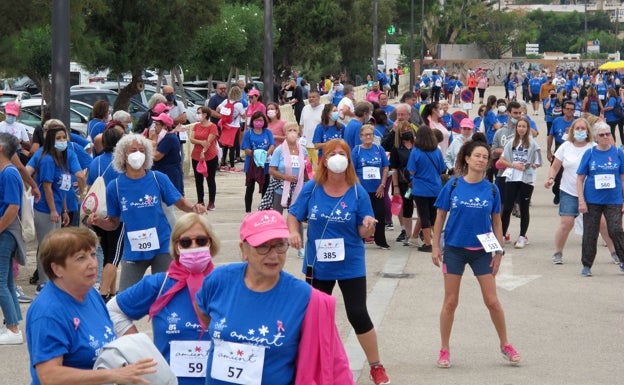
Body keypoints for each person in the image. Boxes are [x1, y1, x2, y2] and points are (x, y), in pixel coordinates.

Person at [195, 210, 354, 385]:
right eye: (263, 246)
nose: (273, 255)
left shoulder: (305, 299)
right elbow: (202, 308)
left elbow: (334, 364)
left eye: (280, 245)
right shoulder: (220, 280)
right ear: (244, 249)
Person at [288, 139, 391, 385]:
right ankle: (312, 365)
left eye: (341, 153)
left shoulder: (357, 191)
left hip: (350, 263)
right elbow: (294, 214)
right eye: (332, 153)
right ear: (324, 158)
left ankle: (376, 366)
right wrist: (294, 232)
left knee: (357, 314)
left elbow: (362, 232)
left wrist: (367, 227)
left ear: (348, 159)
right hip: (318, 265)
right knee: (315, 316)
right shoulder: (313, 188)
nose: (336, 157)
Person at [26, 227, 157, 385]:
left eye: (93, 254)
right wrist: (114, 375)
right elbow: (49, 376)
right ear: (57, 269)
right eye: (81, 258)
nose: (93, 264)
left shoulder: (90, 293)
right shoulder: (48, 312)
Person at [431, 136, 521, 369]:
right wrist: (435, 245)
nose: (481, 160)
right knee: (450, 302)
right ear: (467, 159)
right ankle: (444, 348)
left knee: (492, 301)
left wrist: (499, 252)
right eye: (477, 156)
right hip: (454, 250)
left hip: (482, 251)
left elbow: (497, 222)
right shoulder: (452, 185)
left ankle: (505, 344)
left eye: (485, 157)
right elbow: (440, 216)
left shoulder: (492, 189)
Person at [107, 213, 219, 385]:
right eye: (186, 242)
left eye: (201, 241)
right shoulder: (159, 284)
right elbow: (113, 311)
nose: (194, 246)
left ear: (211, 244)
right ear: (176, 247)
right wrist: (140, 348)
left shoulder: (225, 283)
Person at [88, 134, 207, 291]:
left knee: (168, 294)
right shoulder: (114, 186)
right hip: (134, 251)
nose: (138, 154)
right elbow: (113, 223)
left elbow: (180, 202)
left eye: (142, 150)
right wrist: (99, 222)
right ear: (123, 155)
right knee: (126, 296)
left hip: (163, 246)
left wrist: (194, 208)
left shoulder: (159, 179)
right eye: (133, 150)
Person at [543, 118, 617, 265]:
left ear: (588, 131)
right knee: (567, 222)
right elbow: (555, 166)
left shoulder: (593, 147)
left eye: (583, 128)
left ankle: (615, 252)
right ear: (572, 131)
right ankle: (558, 252)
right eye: (577, 128)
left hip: (591, 193)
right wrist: (551, 178)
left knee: (602, 223)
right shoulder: (565, 147)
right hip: (569, 191)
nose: (580, 131)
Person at [28, 122, 84, 288]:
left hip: (58, 209)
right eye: (58, 138)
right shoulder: (47, 160)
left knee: (55, 247)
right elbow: (47, 186)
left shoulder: (64, 159)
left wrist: (64, 210)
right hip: (45, 209)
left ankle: (50, 280)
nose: (62, 141)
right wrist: (53, 210)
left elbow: (63, 188)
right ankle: (43, 282)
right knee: (46, 246)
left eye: (63, 137)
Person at [576, 122, 624, 276]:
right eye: (602, 135)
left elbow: (623, 178)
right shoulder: (589, 153)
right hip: (592, 200)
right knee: (590, 232)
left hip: (614, 199)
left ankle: (622, 260)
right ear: (596, 137)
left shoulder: (618, 153)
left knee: (616, 229)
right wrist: (581, 201)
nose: (605, 137)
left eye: (607, 134)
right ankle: (587, 265)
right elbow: (579, 179)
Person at [85, 128, 124, 301]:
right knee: (114, 257)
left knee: (108, 251)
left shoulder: (95, 162)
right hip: (116, 214)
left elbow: (89, 186)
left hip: (97, 214)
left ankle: (112, 291)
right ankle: (102, 294)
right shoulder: (121, 164)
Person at [496, 117, 542, 249]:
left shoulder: (533, 144)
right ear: (516, 128)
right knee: (508, 207)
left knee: (524, 207)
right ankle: (503, 235)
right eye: (519, 126)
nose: (521, 128)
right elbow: (501, 161)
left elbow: (537, 163)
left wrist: (528, 165)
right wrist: (514, 165)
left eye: (524, 126)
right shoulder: (511, 143)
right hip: (512, 177)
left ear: (528, 129)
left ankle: (522, 236)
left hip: (527, 179)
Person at [0, 133, 27, 344]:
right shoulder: (7, 172)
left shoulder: (8, 173)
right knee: (7, 281)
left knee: (1, 282)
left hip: (5, 233)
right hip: (6, 232)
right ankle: (14, 324)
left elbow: (13, 207)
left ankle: (13, 329)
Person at [407, 125, 447, 252]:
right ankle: (437, 241)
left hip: (420, 188)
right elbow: (442, 168)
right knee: (433, 215)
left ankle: (427, 243)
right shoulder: (437, 151)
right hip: (435, 187)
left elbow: (411, 171)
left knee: (423, 215)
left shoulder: (416, 151)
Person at [352, 125, 390, 249]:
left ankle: (380, 240)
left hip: (377, 188)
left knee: (379, 214)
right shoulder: (356, 151)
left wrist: (383, 184)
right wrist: (359, 187)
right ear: (361, 137)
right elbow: (352, 169)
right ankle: (360, 240)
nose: (368, 137)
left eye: (371, 134)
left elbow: (385, 167)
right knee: (361, 215)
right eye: (366, 134)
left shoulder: (379, 149)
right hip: (362, 189)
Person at [242, 111, 275, 213]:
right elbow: (246, 148)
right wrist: (256, 155)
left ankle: (264, 210)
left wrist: (265, 155)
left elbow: (272, 145)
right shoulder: (248, 133)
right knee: (250, 188)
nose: (258, 122)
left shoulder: (267, 132)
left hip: (265, 164)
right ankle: (248, 211)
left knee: (265, 188)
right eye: (256, 120)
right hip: (251, 164)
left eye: (260, 120)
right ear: (253, 121)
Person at [189, 106, 219, 211]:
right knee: (198, 180)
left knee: (210, 179)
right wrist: (200, 142)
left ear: (205, 115)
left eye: (199, 113)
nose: (197, 114)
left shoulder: (213, 126)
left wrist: (203, 151)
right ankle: (200, 201)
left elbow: (209, 142)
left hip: (210, 156)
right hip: (196, 156)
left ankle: (211, 202)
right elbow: (191, 139)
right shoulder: (196, 126)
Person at [217, 86, 245, 172]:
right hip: (234, 127)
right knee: (233, 146)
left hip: (225, 126)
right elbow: (244, 115)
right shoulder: (239, 105)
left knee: (225, 146)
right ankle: (232, 166)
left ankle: (222, 164)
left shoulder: (226, 101)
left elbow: (217, 109)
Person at [299, 90, 323, 167]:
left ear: (319, 98)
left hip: (317, 146)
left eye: (313, 97)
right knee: (306, 169)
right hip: (305, 146)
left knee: (317, 169)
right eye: (309, 97)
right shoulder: (305, 108)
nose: (311, 99)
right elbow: (301, 124)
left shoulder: (324, 109)